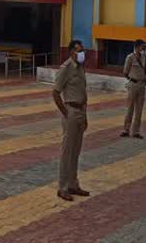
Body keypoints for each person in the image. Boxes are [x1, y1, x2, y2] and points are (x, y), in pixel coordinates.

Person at [52, 39, 89, 202]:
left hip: (81, 110)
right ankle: (63, 187)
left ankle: (73, 184)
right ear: (71, 52)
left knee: (76, 151)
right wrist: (65, 112)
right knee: (67, 152)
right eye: (78, 50)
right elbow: (55, 92)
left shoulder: (80, 68)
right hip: (71, 110)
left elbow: (83, 93)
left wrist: (85, 115)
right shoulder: (66, 68)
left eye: (82, 51)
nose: (81, 53)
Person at [120, 39, 146, 139]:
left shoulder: (144, 57)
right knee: (130, 108)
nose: (144, 49)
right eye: (142, 47)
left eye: (144, 47)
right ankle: (126, 129)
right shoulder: (130, 57)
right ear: (137, 47)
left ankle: (136, 131)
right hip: (133, 84)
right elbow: (125, 72)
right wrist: (132, 79)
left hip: (141, 85)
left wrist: (144, 79)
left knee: (139, 109)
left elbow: (143, 70)